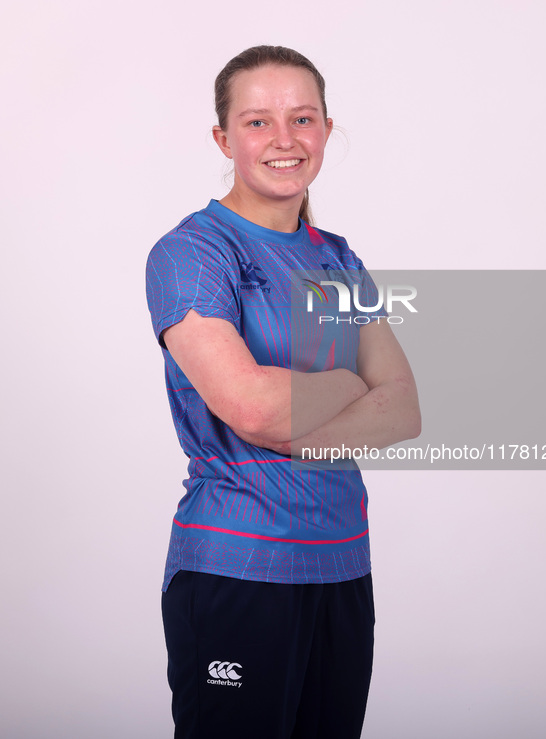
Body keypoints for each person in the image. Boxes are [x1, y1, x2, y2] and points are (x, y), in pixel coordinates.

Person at [146, 44, 421, 739]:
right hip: (239, 568)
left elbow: (405, 406)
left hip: (341, 563)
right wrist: (350, 380)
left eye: (302, 119)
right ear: (224, 138)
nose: (284, 140)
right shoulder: (194, 252)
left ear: (326, 130)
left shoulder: (337, 256)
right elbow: (250, 407)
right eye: (258, 122)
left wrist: (291, 416)